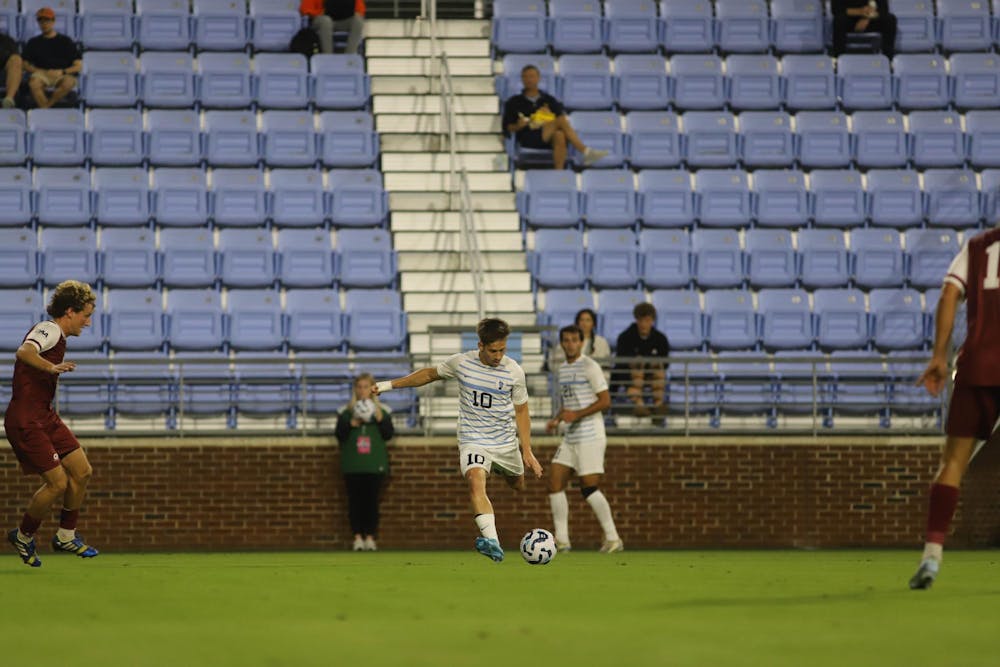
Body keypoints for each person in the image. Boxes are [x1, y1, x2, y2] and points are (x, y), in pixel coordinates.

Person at [372, 318, 542, 562]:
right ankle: (492, 542)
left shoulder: (514, 371)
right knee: (475, 479)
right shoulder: (462, 363)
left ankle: (500, 469)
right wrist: (388, 385)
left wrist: (527, 450)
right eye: (493, 350)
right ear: (480, 345)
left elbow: (522, 411)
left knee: (518, 485)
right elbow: (429, 374)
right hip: (473, 439)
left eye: (502, 350)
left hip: (504, 442)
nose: (498, 356)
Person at [910, 229, 1000, 589]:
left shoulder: (978, 246)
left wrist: (938, 357)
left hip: (978, 365)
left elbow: (950, 293)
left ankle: (932, 554)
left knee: (953, 463)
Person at [6, 280, 99, 567]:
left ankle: (65, 535)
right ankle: (23, 536)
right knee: (57, 483)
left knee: (82, 471)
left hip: (44, 415)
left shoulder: (59, 337)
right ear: (69, 311)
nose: (88, 321)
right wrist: (51, 367)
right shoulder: (49, 329)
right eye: (85, 314)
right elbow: (24, 352)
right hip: (26, 418)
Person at [546, 325, 622, 553]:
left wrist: (576, 415)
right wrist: (558, 418)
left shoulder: (590, 366)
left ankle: (613, 538)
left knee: (588, 487)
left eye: (574, 340)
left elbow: (605, 400)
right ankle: (562, 540)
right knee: (554, 482)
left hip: (591, 435)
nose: (569, 344)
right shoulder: (562, 369)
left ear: (581, 343)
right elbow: (569, 403)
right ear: (561, 344)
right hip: (571, 436)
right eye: (566, 340)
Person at [501, 64, 608, 170]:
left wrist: (546, 118)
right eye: (525, 77)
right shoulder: (513, 102)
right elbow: (507, 127)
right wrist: (518, 126)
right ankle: (585, 151)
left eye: (532, 76)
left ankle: (558, 173)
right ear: (522, 79)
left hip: (547, 135)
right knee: (560, 121)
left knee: (559, 135)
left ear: (538, 78)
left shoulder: (549, 99)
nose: (529, 79)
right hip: (528, 137)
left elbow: (559, 115)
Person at [335, 372, 393, 552]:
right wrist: (351, 423)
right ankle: (357, 537)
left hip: (374, 464)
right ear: (355, 390)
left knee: (371, 502)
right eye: (359, 387)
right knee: (354, 502)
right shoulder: (345, 412)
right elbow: (339, 435)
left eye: (366, 387)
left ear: (372, 389)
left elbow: (388, 434)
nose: (362, 391)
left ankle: (370, 537)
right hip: (353, 465)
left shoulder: (383, 410)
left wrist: (379, 419)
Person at [615, 302, 670, 417]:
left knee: (657, 366)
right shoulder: (625, 337)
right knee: (637, 364)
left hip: (652, 375)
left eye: (648, 320)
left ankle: (658, 404)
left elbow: (665, 362)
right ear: (636, 320)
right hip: (630, 376)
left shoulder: (660, 339)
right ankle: (639, 404)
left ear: (652, 321)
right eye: (641, 320)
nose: (644, 324)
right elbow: (620, 362)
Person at [22, 7, 81, 109]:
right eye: (41, 21)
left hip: (61, 74)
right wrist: (40, 71)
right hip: (41, 74)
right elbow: (24, 64)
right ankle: (46, 109)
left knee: (69, 82)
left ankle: (46, 107)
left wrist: (62, 72)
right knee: (34, 83)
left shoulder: (66, 41)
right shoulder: (33, 42)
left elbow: (78, 65)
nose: (44, 24)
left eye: (47, 20)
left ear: (53, 22)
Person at [832, 0, 897, 59]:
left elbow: (883, 9)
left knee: (890, 20)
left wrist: (866, 18)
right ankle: (838, 59)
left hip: (871, 19)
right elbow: (836, 9)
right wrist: (860, 12)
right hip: (849, 19)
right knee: (838, 21)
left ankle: (888, 59)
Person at [301, 0, 365, 55]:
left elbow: (360, 10)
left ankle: (349, 56)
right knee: (326, 21)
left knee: (358, 20)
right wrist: (320, 12)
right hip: (321, 19)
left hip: (343, 20)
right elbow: (305, 10)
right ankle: (328, 56)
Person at [0, 28, 22, 109]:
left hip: (3, 69)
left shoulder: (7, 40)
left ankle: (8, 100)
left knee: (16, 59)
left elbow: (14, 56)